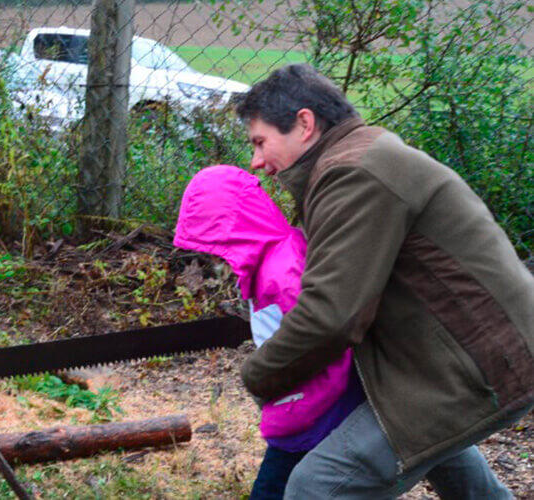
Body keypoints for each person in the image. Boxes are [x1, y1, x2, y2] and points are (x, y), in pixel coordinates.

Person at [234, 63, 534, 498]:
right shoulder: (359, 158)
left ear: (304, 124)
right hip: (468, 356)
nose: (256, 161)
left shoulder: (352, 175)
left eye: (261, 142)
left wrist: (259, 375)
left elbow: (332, 317)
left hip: (477, 364)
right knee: (429, 442)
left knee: (316, 487)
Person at [174, 165, 365, 499]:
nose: (211, 254)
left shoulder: (282, 273)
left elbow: (323, 346)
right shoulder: (270, 262)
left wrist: (290, 413)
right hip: (310, 403)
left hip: (314, 410)